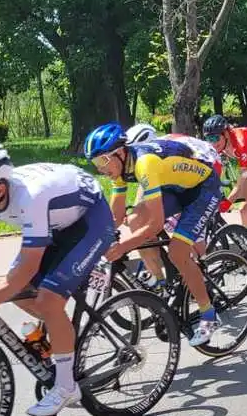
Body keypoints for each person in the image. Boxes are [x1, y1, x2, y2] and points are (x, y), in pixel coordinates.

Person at [0, 142, 115, 416]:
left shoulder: (31, 197)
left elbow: (27, 267)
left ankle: (66, 387)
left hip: (90, 221)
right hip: (55, 223)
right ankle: (63, 337)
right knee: (17, 293)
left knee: (47, 300)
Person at [85, 123, 223, 346]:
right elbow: (116, 217)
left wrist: (122, 247)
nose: (100, 168)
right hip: (177, 187)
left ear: (119, 152)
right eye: (95, 163)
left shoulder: (144, 163)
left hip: (203, 188)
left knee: (178, 253)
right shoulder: (120, 169)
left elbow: (155, 222)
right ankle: (161, 279)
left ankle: (209, 315)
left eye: (102, 161)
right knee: (135, 218)